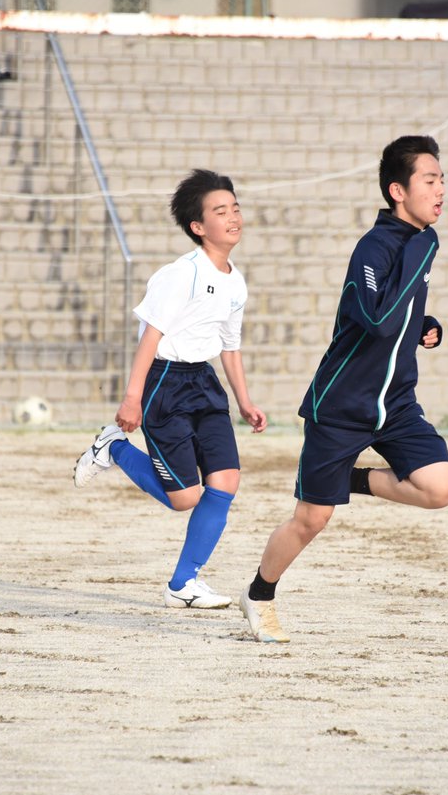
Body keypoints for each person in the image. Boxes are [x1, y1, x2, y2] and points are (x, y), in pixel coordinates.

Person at [237, 135, 448, 643]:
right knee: (311, 520)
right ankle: (259, 595)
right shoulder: (377, 247)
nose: (441, 188)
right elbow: (376, 317)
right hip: (340, 405)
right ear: (397, 191)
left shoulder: (418, 242)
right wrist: (421, 249)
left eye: (442, 179)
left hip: (397, 403)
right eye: (430, 179)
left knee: (440, 487)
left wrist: (426, 323)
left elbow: (399, 316)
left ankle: (352, 482)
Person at [73, 168, 267, 609]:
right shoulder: (181, 274)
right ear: (199, 227)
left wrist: (245, 401)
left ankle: (183, 584)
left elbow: (230, 347)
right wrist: (132, 398)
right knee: (185, 499)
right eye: (221, 211)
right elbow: (150, 338)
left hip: (205, 383)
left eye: (235, 207)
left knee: (226, 482)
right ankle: (114, 448)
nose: (233, 216)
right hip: (165, 382)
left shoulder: (236, 279)